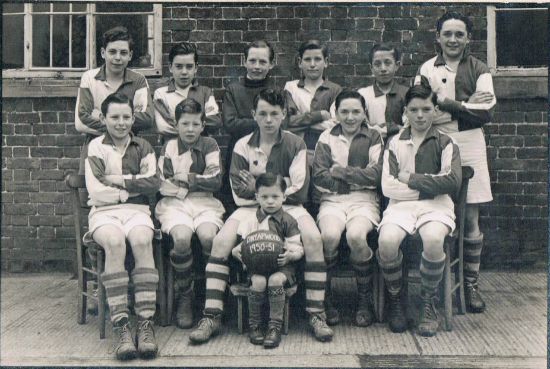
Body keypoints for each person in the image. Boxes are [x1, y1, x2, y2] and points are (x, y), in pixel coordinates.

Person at [189, 89, 333, 344]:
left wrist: (256, 181)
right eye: (263, 114)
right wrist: (276, 187)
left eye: (274, 114)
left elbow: (299, 189)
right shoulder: (242, 145)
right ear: (254, 114)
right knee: (221, 241)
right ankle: (212, 314)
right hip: (249, 208)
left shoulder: (295, 143)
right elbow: (238, 193)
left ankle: (316, 313)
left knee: (312, 238)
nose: (268, 120)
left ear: (284, 115)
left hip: (289, 207)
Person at [415, 11, 496, 313]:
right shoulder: (426, 68)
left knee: (470, 217)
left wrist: (447, 105)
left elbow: (486, 110)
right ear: (438, 37)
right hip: (436, 141)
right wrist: (464, 106)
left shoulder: (479, 68)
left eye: (459, 34)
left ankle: (470, 283)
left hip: (471, 140)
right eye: (447, 33)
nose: (453, 39)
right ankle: (436, 283)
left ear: (468, 39)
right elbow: (420, 108)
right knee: (435, 210)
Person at [377, 82, 461, 337]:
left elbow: (452, 182)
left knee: (434, 239)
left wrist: (410, 178)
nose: (421, 115)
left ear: (435, 110)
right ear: (406, 112)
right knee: (387, 241)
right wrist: (429, 185)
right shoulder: (394, 142)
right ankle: (396, 299)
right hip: (400, 207)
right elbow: (388, 186)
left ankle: (428, 301)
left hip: (436, 207)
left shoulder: (447, 142)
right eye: (414, 110)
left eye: (426, 109)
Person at [84, 93, 160, 359]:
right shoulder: (95, 147)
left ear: (133, 118)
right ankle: (121, 325)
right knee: (115, 243)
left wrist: (117, 180)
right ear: (104, 119)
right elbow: (96, 189)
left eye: (126, 117)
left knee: (141, 240)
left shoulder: (144, 146)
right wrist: (129, 190)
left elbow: (153, 183)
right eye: (114, 117)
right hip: (104, 212)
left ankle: (145, 323)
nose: (121, 123)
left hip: (138, 210)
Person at [312, 90, 383, 327]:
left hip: (364, 200)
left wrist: (341, 172)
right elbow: (320, 177)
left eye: (356, 111)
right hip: (332, 200)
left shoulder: (373, 137)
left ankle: (364, 299)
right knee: (329, 236)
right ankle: (327, 297)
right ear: (336, 113)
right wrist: (353, 179)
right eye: (344, 111)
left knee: (356, 236)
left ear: (364, 113)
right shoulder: (326, 137)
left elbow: (376, 176)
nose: (350, 117)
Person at [155, 98, 225, 329]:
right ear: (176, 125)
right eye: (185, 124)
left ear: (203, 125)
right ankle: (185, 292)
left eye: (195, 124)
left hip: (205, 203)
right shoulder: (169, 147)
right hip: (175, 204)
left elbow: (215, 180)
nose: (190, 129)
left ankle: (210, 295)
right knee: (182, 238)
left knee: (209, 238)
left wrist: (188, 178)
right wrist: (188, 187)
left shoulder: (210, 145)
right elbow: (163, 183)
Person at [231, 173, 304, 348]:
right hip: (257, 266)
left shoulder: (288, 221)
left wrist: (291, 255)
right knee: (257, 281)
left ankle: (274, 327)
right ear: (256, 197)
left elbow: (298, 248)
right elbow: (241, 246)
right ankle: (255, 325)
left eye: (275, 196)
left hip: (282, 267)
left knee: (275, 280)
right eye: (264, 197)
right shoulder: (249, 221)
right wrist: (236, 252)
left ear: (284, 197)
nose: (270, 201)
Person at [75, 26, 153, 174]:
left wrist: (100, 115)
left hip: (129, 149)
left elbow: (148, 119)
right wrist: (124, 123)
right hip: (94, 147)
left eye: (123, 53)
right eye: (112, 52)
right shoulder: (89, 78)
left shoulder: (138, 80)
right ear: (103, 53)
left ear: (130, 55)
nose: (118, 57)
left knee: (128, 192)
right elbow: (81, 120)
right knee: (91, 192)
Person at [221, 40, 279, 213]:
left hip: (270, 149)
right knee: (238, 199)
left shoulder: (277, 91)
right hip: (239, 152)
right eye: (252, 61)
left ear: (272, 64)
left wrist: (246, 121)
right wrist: (266, 120)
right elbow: (230, 124)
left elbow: (282, 123)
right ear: (244, 61)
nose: (257, 66)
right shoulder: (234, 90)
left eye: (263, 62)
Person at [153, 42, 221, 140]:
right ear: (170, 67)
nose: (184, 72)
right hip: (172, 151)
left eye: (189, 66)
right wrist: (198, 123)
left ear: (196, 68)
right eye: (179, 66)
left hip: (200, 151)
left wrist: (180, 123)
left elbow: (215, 121)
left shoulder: (205, 92)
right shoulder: (161, 94)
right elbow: (163, 127)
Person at [284, 39, 342, 153]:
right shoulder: (291, 87)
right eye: (307, 59)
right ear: (300, 62)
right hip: (296, 149)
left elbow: (336, 125)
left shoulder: (335, 90)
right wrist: (319, 115)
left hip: (326, 150)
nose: (312, 64)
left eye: (317, 59)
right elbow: (287, 122)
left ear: (326, 62)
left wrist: (301, 122)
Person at [357, 43, 408, 141]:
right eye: (377, 64)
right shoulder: (363, 95)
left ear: (396, 65)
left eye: (388, 63)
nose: (383, 69)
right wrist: (395, 128)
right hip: (371, 146)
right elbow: (361, 125)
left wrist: (387, 129)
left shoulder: (406, 94)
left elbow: (408, 126)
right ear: (371, 68)